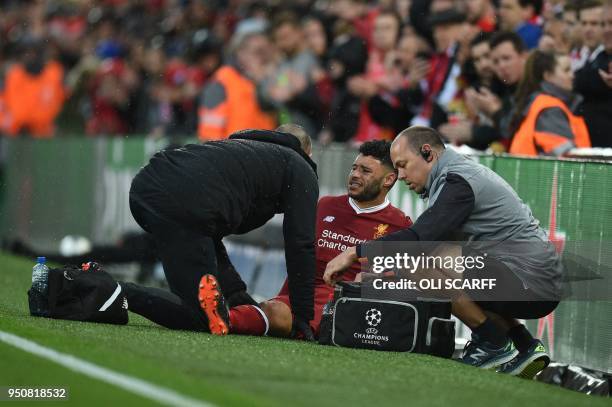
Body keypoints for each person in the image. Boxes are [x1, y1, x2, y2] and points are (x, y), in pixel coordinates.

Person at [324, 126, 562, 378]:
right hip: (531, 279)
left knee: (415, 261)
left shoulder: (456, 181)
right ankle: (524, 345)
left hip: (530, 281)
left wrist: (355, 252)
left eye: (403, 165)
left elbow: (418, 243)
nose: (401, 176)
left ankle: (491, 343)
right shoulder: (455, 176)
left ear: (428, 154)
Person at [123, 125, 318, 340]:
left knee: (202, 293)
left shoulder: (239, 147)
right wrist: (302, 314)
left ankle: (102, 287)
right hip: (183, 204)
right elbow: (301, 243)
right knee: (201, 317)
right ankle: (108, 289)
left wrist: (236, 294)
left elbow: (207, 231)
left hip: (146, 188)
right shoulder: (299, 165)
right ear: (307, 154)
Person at [226, 140, 412, 337]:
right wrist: (284, 297)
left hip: (344, 307)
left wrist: (376, 279)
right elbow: (300, 253)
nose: (355, 175)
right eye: (354, 168)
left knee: (275, 313)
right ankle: (218, 317)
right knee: (271, 309)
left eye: (365, 171)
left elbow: (406, 279)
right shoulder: (326, 206)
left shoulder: (400, 225)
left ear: (388, 180)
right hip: (300, 298)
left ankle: (222, 318)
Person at [197, 31, 277, 140]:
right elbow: (209, 135)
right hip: (234, 154)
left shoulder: (269, 80)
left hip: (266, 152)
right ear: (241, 54)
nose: (263, 59)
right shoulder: (223, 81)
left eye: (266, 52)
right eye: (258, 52)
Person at [510, 51, 591, 156]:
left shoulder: (541, 103)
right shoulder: (550, 109)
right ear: (548, 76)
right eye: (566, 70)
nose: (572, 75)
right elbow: (566, 159)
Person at [574, 0, 612, 147]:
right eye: (603, 24)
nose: (607, 29)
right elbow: (580, 81)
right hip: (591, 148)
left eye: (611, 23)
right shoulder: (601, 56)